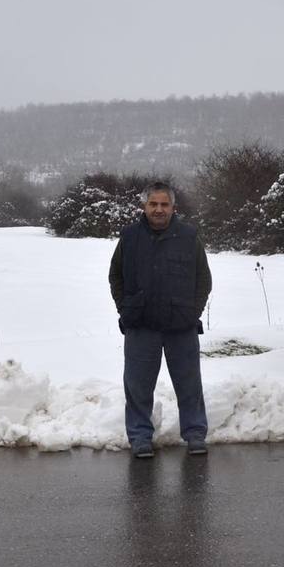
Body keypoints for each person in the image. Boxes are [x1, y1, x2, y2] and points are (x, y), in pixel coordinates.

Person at [109, 182, 212, 459]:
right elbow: (115, 276)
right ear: (144, 206)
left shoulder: (188, 237)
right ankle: (140, 437)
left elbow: (204, 280)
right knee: (138, 387)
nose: (158, 209)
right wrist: (125, 309)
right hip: (140, 325)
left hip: (181, 326)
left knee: (189, 385)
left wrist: (193, 312)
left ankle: (194, 434)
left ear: (173, 208)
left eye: (164, 204)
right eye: (153, 204)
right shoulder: (129, 237)